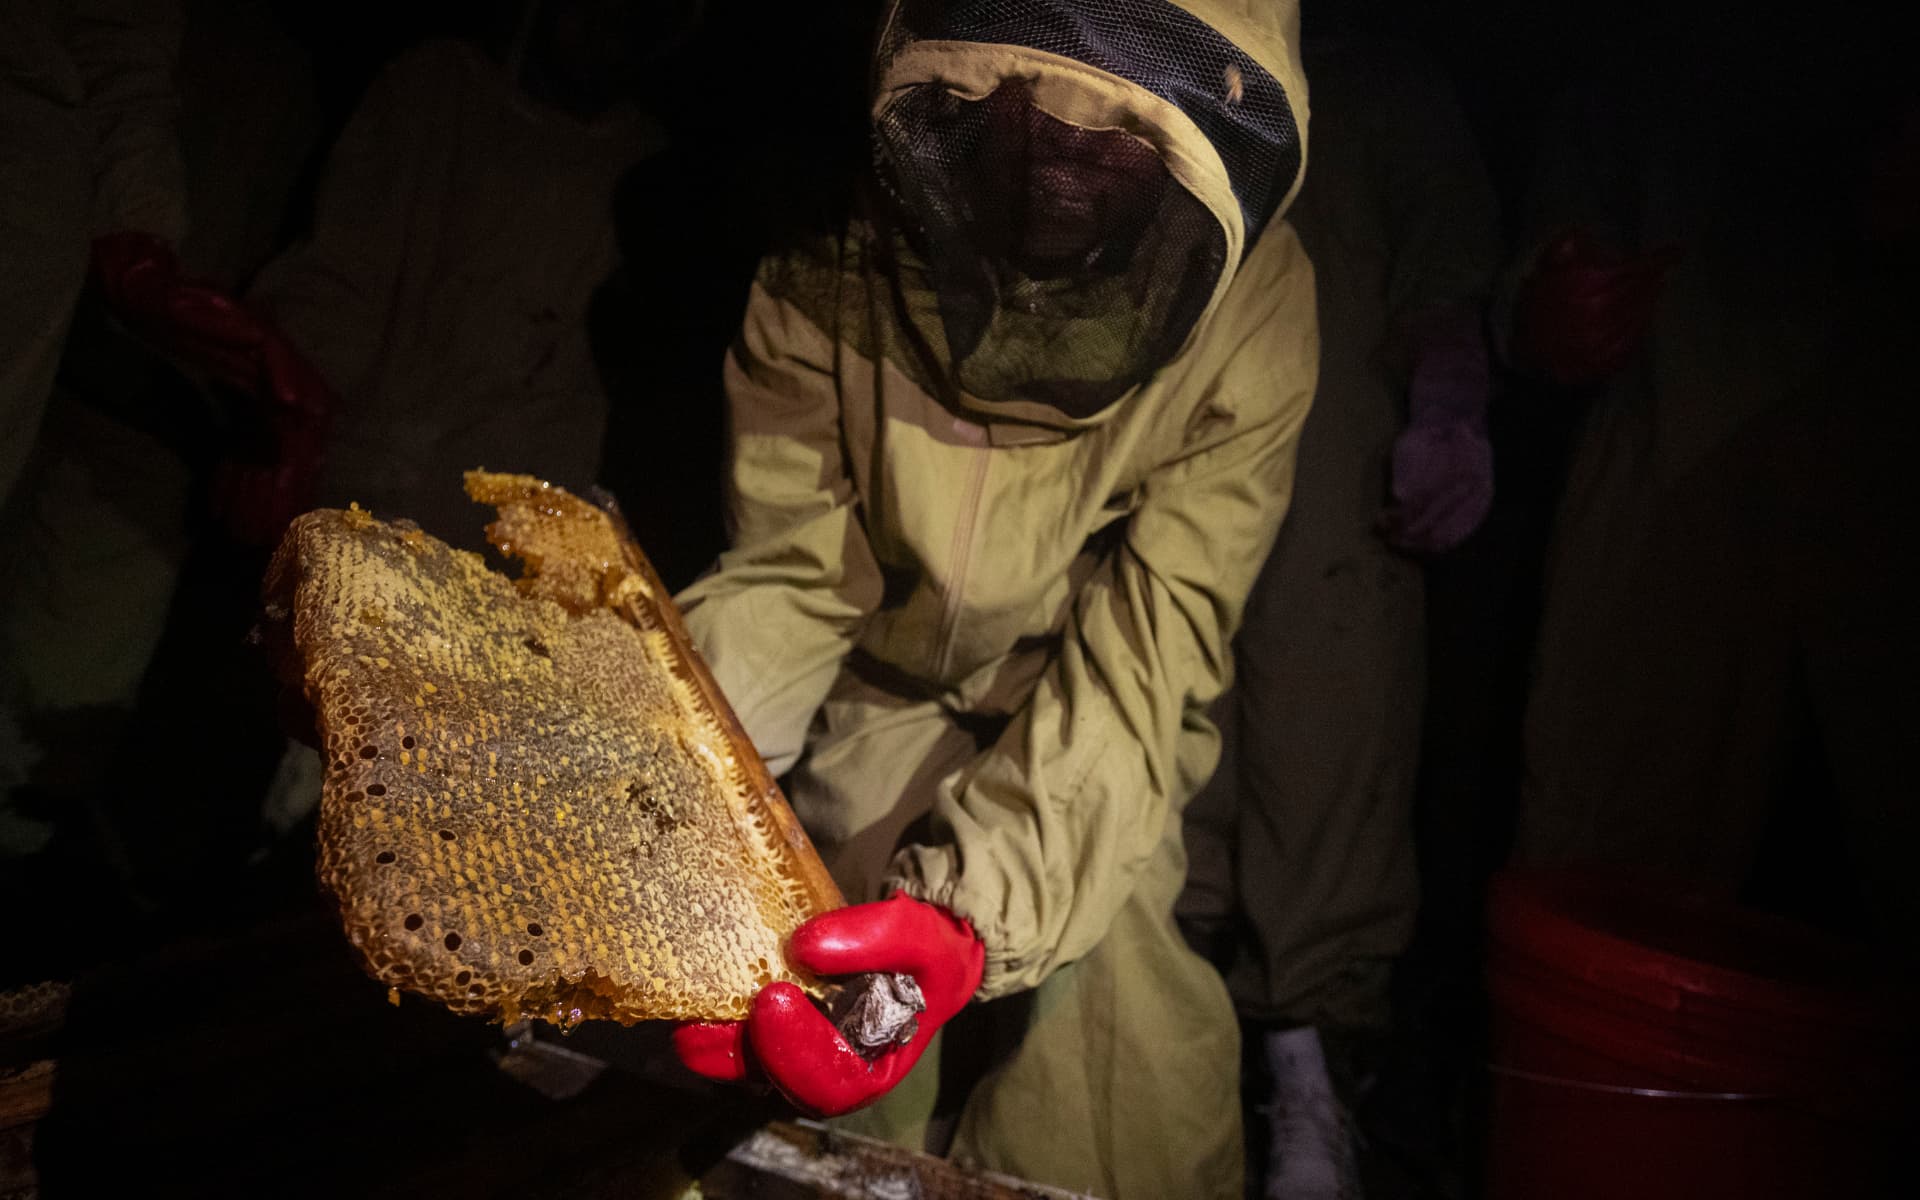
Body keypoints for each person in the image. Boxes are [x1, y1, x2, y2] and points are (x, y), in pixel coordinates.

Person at [666, 3, 1317, 1196]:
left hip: (1088, 712)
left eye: (1121, 132)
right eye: (1037, 113)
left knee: (1118, 1092)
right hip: (880, 693)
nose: (1069, 158)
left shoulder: (1260, 314)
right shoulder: (832, 256)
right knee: (822, 1069)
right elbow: (790, 579)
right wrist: (673, 802)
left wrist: (972, 920)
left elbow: (1147, 657)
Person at [1175, 30, 1501, 1199]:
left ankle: (1307, 1080)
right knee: (1167, 769)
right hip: (1169, 446)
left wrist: (1449, 411)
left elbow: (1445, 267)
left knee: (1332, 767)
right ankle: (1159, 1074)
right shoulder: (1176, 33)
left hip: (1334, 467)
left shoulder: (1391, 78)